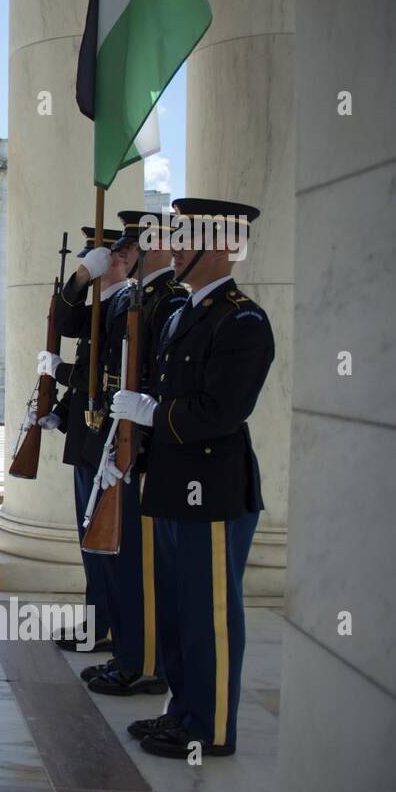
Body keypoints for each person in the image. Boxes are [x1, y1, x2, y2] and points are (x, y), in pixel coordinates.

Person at [108, 198, 272, 759]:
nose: (173, 247)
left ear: (223, 246)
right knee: (181, 612)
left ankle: (211, 727)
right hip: (174, 483)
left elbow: (220, 411)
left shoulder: (242, 318)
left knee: (211, 618)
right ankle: (182, 712)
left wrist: (150, 413)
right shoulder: (184, 314)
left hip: (214, 489)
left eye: (185, 237)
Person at [78, 211, 185, 697]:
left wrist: (142, 417)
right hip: (121, 437)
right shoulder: (139, 298)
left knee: (139, 563)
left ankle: (142, 663)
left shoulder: (168, 301)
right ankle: (130, 655)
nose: (125, 252)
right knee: (125, 559)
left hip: (145, 447)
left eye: (135, 244)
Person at [33, 226, 122, 653]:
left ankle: (111, 627)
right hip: (87, 439)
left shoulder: (125, 306)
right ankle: (98, 622)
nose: (93, 269)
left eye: (99, 261)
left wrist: (59, 373)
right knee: (91, 542)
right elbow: (65, 322)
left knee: (108, 546)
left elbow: (102, 379)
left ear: (122, 260)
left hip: (107, 443)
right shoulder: (102, 307)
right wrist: (60, 412)